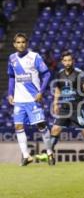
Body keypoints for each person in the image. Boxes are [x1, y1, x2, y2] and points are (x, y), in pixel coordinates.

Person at [36, 51, 84, 164]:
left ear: (73, 61)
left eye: (69, 60)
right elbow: (58, 89)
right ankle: (48, 153)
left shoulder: (79, 73)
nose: (68, 63)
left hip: (77, 107)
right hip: (64, 108)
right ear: (62, 62)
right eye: (65, 60)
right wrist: (55, 103)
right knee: (55, 129)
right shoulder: (59, 74)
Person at [7, 33, 54, 166]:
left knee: (41, 125)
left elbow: (46, 74)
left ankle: (50, 152)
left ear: (26, 43)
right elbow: (11, 77)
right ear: (14, 44)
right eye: (18, 42)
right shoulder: (12, 58)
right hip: (19, 100)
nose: (21, 44)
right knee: (18, 126)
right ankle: (26, 156)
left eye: (23, 42)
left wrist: (41, 92)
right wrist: (10, 94)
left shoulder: (34, 56)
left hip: (33, 99)